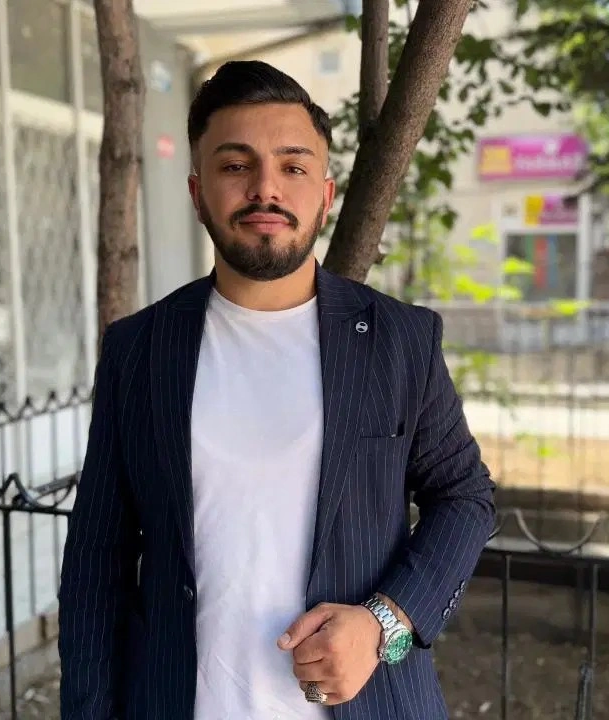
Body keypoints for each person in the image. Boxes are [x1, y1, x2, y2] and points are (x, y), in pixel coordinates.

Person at [56, 60, 496, 720]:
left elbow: (465, 496)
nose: (266, 188)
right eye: (237, 165)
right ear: (198, 192)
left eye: (293, 166)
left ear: (325, 193)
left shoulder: (399, 341)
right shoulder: (139, 351)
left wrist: (385, 623)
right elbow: (97, 562)